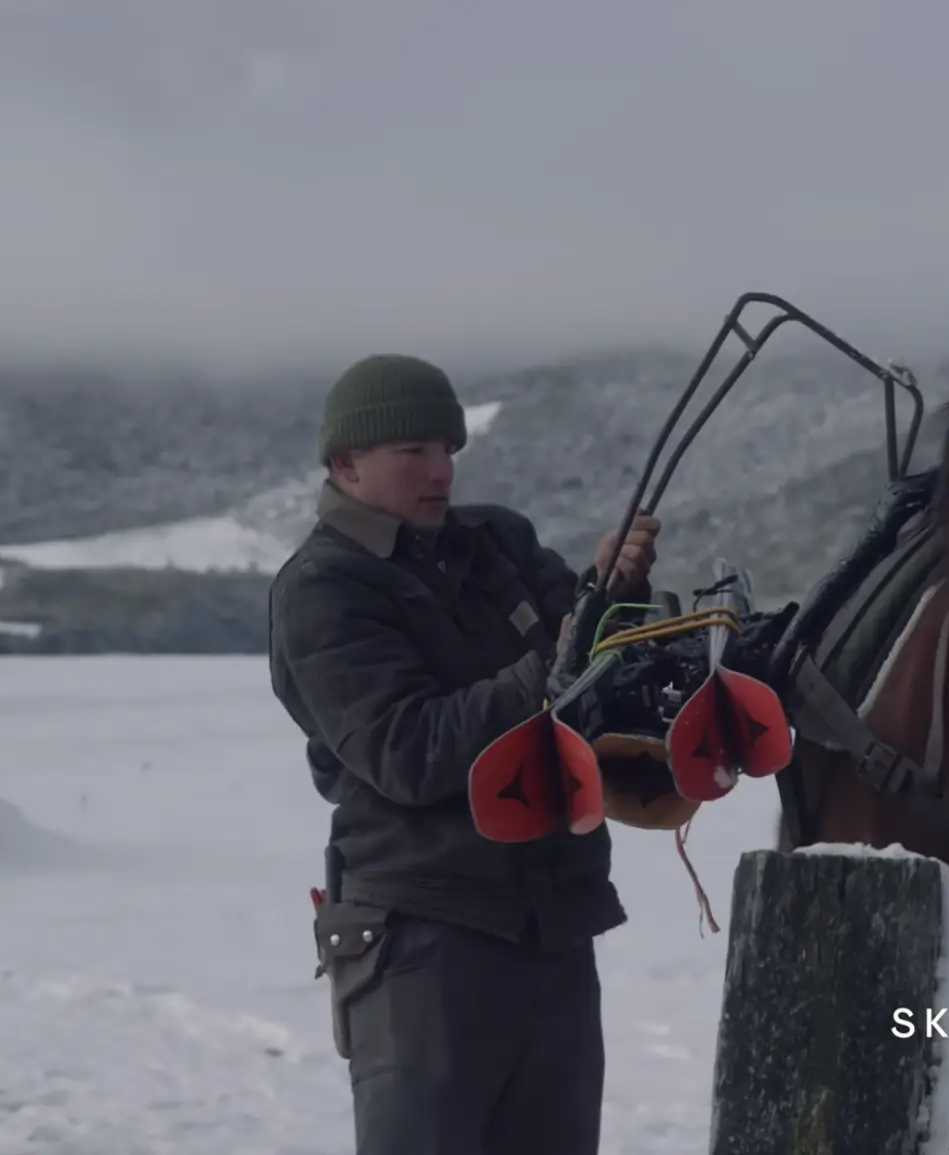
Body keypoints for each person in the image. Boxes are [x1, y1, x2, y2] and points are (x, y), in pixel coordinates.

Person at [266, 352, 659, 1155]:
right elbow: (406, 750)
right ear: (346, 463)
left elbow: (588, 660)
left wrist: (613, 594)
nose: (440, 469)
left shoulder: (498, 540)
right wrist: (552, 663)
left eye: (448, 448)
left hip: (551, 923)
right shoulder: (323, 588)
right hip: (421, 938)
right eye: (413, 451)